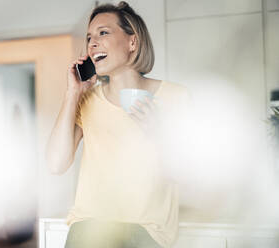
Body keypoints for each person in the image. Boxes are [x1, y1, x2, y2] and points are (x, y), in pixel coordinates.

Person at [46, 2, 191, 248]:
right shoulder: (87, 100)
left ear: (132, 42)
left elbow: (190, 176)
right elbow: (56, 164)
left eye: (103, 33)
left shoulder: (176, 97)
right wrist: (72, 94)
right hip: (89, 229)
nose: (92, 43)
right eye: (89, 37)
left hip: (144, 233)